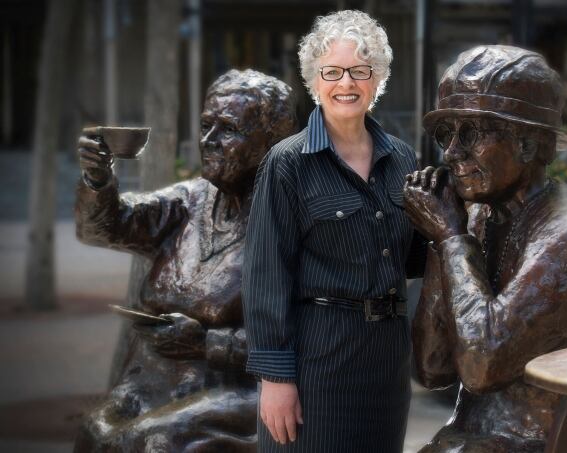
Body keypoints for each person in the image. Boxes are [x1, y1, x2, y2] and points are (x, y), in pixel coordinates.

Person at [403, 45, 567, 452]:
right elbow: (432, 370)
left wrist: (451, 238)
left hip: (556, 442)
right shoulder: (481, 218)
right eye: (445, 134)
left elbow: (482, 365)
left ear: (526, 144)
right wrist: (443, 237)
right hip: (482, 439)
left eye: (470, 132)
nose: (451, 152)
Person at [72, 69, 297, 452]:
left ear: (272, 142)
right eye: (205, 125)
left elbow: (308, 338)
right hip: (155, 380)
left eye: (228, 129)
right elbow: (103, 227)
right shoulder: (188, 201)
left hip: (244, 389)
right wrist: (98, 180)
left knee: (155, 441)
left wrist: (208, 342)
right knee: (95, 431)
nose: (208, 141)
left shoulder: (290, 220)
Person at [242, 10, 427, 453]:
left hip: (386, 359)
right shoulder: (287, 164)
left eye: (360, 71)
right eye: (333, 72)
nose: (347, 84)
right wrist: (275, 378)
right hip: (319, 359)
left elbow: (416, 259)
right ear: (315, 80)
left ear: (377, 78)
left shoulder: (403, 160)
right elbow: (267, 276)